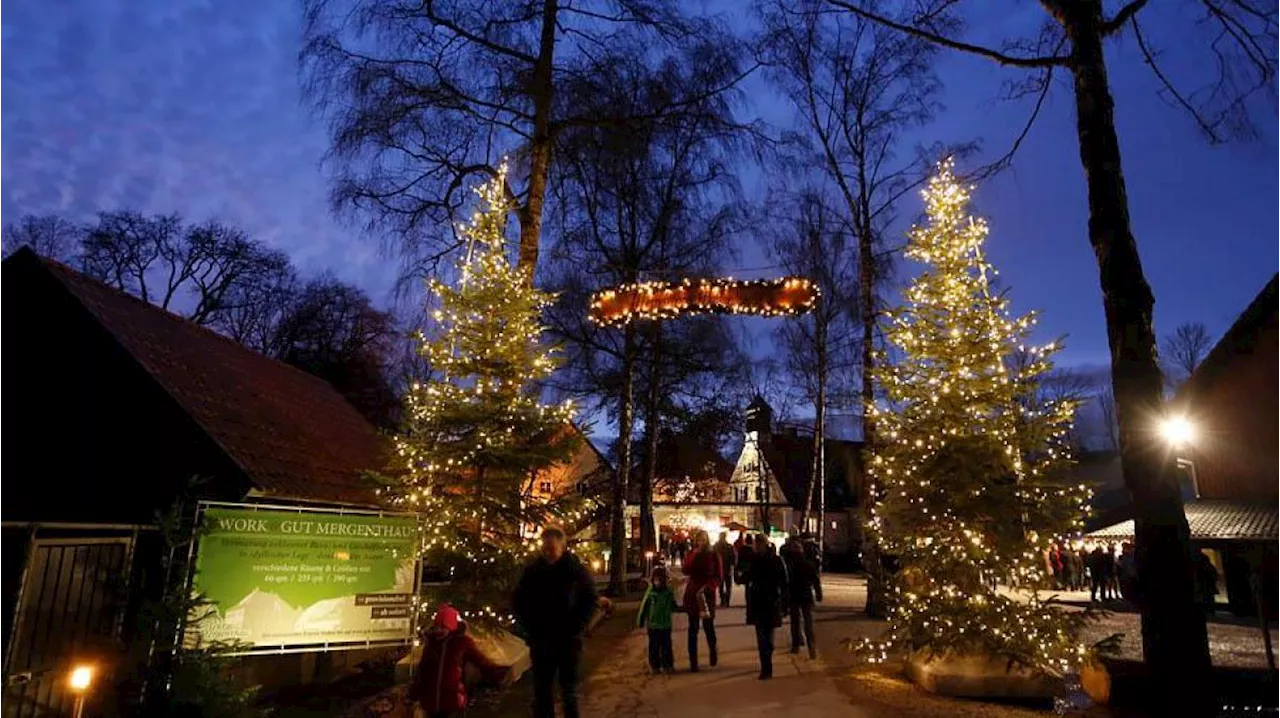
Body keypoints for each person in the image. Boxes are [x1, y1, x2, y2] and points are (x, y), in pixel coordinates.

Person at [513, 526, 597, 718]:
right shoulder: (533, 571)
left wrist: (578, 626)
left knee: (568, 690)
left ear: (562, 547)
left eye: (552, 548)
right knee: (542, 690)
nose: (548, 553)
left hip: (568, 640)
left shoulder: (575, 571)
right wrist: (528, 629)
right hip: (541, 640)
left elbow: (589, 599)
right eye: (545, 548)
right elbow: (519, 600)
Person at [408, 604, 509, 718]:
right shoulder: (431, 644)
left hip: (451, 700)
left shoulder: (461, 643)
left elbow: (480, 661)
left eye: (443, 627)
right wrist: (414, 692)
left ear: (451, 627)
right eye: (437, 627)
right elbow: (423, 669)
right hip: (430, 702)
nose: (439, 631)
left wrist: (497, 673)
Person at [747, 534, 788, 679]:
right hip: (769, 601)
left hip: (765, 601)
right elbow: (784, 582)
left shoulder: (763, 560)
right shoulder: (774, 559)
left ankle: (766, 666)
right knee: (766, 636)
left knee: (763, 636)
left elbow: (783, 582)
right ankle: (766, 665)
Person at [681, 529, 722, 671]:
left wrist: (710, 587)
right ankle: (693, 662)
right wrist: (692, 556)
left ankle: (713, 650)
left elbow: (718, 576)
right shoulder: (692, 554)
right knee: (692, 629)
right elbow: (685, 570)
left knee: (708, 627)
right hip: (693, 594)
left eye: (703, 540)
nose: (701, 542)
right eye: (699, 540)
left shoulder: (713, 555)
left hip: (706, 595)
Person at [782, 538, 821, 659]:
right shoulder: (808, 563)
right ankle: (811, 648)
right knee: (808, 623)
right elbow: (815, 580)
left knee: (795, 622)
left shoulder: (789, 565)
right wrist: (819, 593)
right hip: (806, 595)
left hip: (794, 595)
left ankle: (795, 646)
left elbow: (785, 583)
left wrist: (784, 599)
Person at [637, 566, 677, 673]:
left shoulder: (668, 592)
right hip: (653, 625)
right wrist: (640, 620)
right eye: (655, 579)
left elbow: (673, 605)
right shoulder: (650, 592)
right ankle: (655, 666)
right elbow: (644, 606)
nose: (657, 582)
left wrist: (682, 608)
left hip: (665, 624)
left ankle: (667, 665)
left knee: (666, 646)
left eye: (660, 579)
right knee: (653, 647)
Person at [736, 533, 757, 625]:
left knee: (748, 595)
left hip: (745, 574)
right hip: (753, 574)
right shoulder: (754, 550)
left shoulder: (742, 550)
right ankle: (752, 616)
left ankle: (748, 616)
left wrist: (738, 573)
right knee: (752, 596)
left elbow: (739, 562)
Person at [714, 532, 737, 607]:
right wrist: (733, 566)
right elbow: (733, 558)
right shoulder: (729, 546)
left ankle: (723, 600)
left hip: (719, 568)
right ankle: (727, 601)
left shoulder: (716, 546)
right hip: (727, 568)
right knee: (728, 585)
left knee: (721, 585)